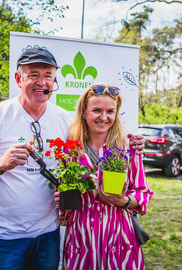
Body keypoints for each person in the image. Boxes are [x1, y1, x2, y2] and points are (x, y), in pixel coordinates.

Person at [0, 47, 145, 270]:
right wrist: (0, 164)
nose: (42, 82)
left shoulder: (64, 120)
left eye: (48, 75)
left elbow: (98, 135)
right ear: (19, 78)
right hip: (4, 236)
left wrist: (132, 143)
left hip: (47, 235)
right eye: (34, 74)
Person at [57, 83, 153, 270]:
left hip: (119, 236)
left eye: (110, 111)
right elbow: (62, 195)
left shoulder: (129, 148)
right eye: (96, 110)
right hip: (81, 237)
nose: (104, 117)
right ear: (84, 112)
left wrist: (124, 201)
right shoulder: (70, 150)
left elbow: (142, 192)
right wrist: (60, 197)